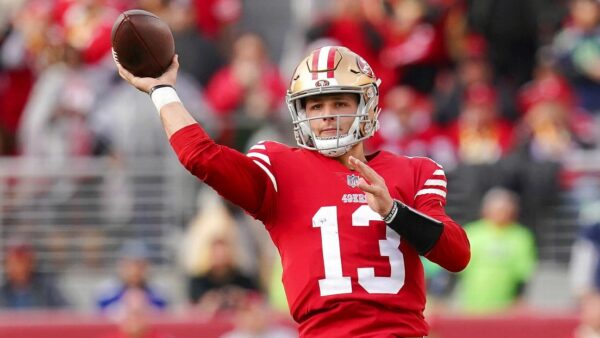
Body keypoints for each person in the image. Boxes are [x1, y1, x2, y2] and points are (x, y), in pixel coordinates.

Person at [115, 46, 470, 338]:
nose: (327, 116)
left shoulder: (415, 170)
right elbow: (202, 157)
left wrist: (395, 212)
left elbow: (457, 255)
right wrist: (162, 91)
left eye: (340, 103)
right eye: (316, 106)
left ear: (367, 106)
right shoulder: (280, 167)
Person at [456, 187, 537, 314]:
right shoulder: (471, 233)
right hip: (473, 306)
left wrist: (519, 298)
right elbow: (454, 268)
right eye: (497, 209)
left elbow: (523, 273)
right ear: (485, 210)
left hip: (507, 308)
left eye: (505, 209)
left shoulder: (521, 236)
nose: (501, 213)